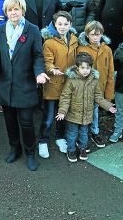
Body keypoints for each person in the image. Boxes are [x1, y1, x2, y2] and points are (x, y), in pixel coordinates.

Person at [0, 0, 48, 171]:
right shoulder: (0, 31)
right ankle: (15, 149)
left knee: (26, 122)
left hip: (25, 84)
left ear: (23, 11)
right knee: (9, 121)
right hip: (5, 85)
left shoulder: (33, 30)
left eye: (16, 9)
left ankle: (30, 153)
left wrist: (39, 72)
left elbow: (37, 55)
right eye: (10, 10)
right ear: (6, 12)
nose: (13, 13)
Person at [57, 52, 116, 162]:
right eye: (82, 68)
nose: (85, 70)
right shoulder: (71, 80)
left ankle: (83, 148)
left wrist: (108, 106)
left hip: (86, 114)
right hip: (73, 114)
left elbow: (98, 96)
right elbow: (65, 97)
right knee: (72, 133)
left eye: (88, 68)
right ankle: (71, 149)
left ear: (91, 67)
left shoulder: (93, 80)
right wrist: (62, 111)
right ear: (77, 67)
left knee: (84, 133)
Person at [38, 11, 79, 159]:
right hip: (53, 83)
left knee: (62, 115)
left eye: (66, 24)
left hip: (68, 85)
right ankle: (43, 141)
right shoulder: (49, 42)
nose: (62, 27)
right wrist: (52, 69)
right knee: (48, 118)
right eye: (59, 24)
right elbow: (47, 61)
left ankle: (60, 138)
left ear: (70, 25)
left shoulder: (74, 39)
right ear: (55, 24)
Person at [77, 21, 115, 149]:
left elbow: (110, 72)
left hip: (100, 89)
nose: (95, 37)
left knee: (95, 112)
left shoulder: (107, 49)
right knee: (84, 112)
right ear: (87, 35)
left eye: (98, 34)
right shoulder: (81, 49)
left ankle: (94, 132)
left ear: (102, 34)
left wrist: (109, 94)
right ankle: (82, 135)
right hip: (85, 88)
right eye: (92, 34)